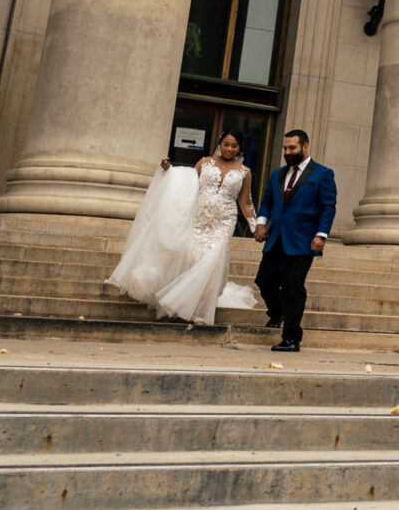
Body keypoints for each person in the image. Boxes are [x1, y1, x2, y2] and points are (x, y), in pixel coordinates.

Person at [106, 132, 263, 326]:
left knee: (212, 263)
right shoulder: (204, 162)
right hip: (198, 219)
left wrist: (256, 225)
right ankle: (186, 303)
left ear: (240, 148)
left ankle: (200, 311)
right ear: (220, 144)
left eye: (234, 146)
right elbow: (185, 183)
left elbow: (246, 201)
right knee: (192, 259)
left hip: (224, 221)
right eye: (226, 144)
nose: (229, 149)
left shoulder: (244, 172)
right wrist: (169, 170)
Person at [252, 128, 337, 353]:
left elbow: (328, 207)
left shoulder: (322, 174)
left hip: (302, 242)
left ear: (305, 146)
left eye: (292, 148)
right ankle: (278, 312)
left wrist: (321, 235)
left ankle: (291, 338)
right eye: (285, 148)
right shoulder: (277, 174)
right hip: (276, 237)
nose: (287, 152)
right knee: (264, 280)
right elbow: (268, 201)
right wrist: (261, 224)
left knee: (293, 287)